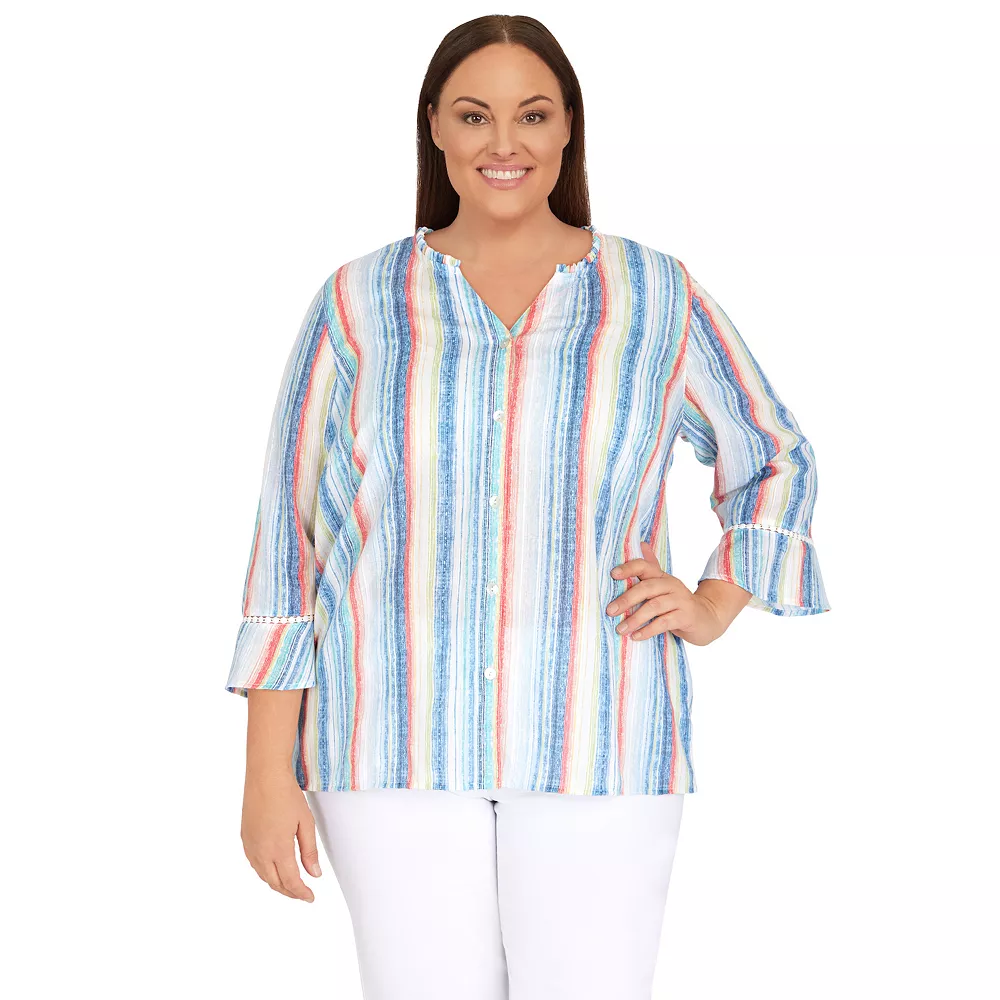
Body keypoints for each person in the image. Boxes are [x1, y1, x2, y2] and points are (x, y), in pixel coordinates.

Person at [224, 14, 831, 1000]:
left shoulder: (654, 295)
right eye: (474, 115)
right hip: (386, 741)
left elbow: (773, 455)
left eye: (532, 115)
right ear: (435, 126)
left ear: (567, 128)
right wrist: (265, 773)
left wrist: (714, 601)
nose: (503, 142)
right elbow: (288, 541)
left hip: (603, 735)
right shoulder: (357, 302)